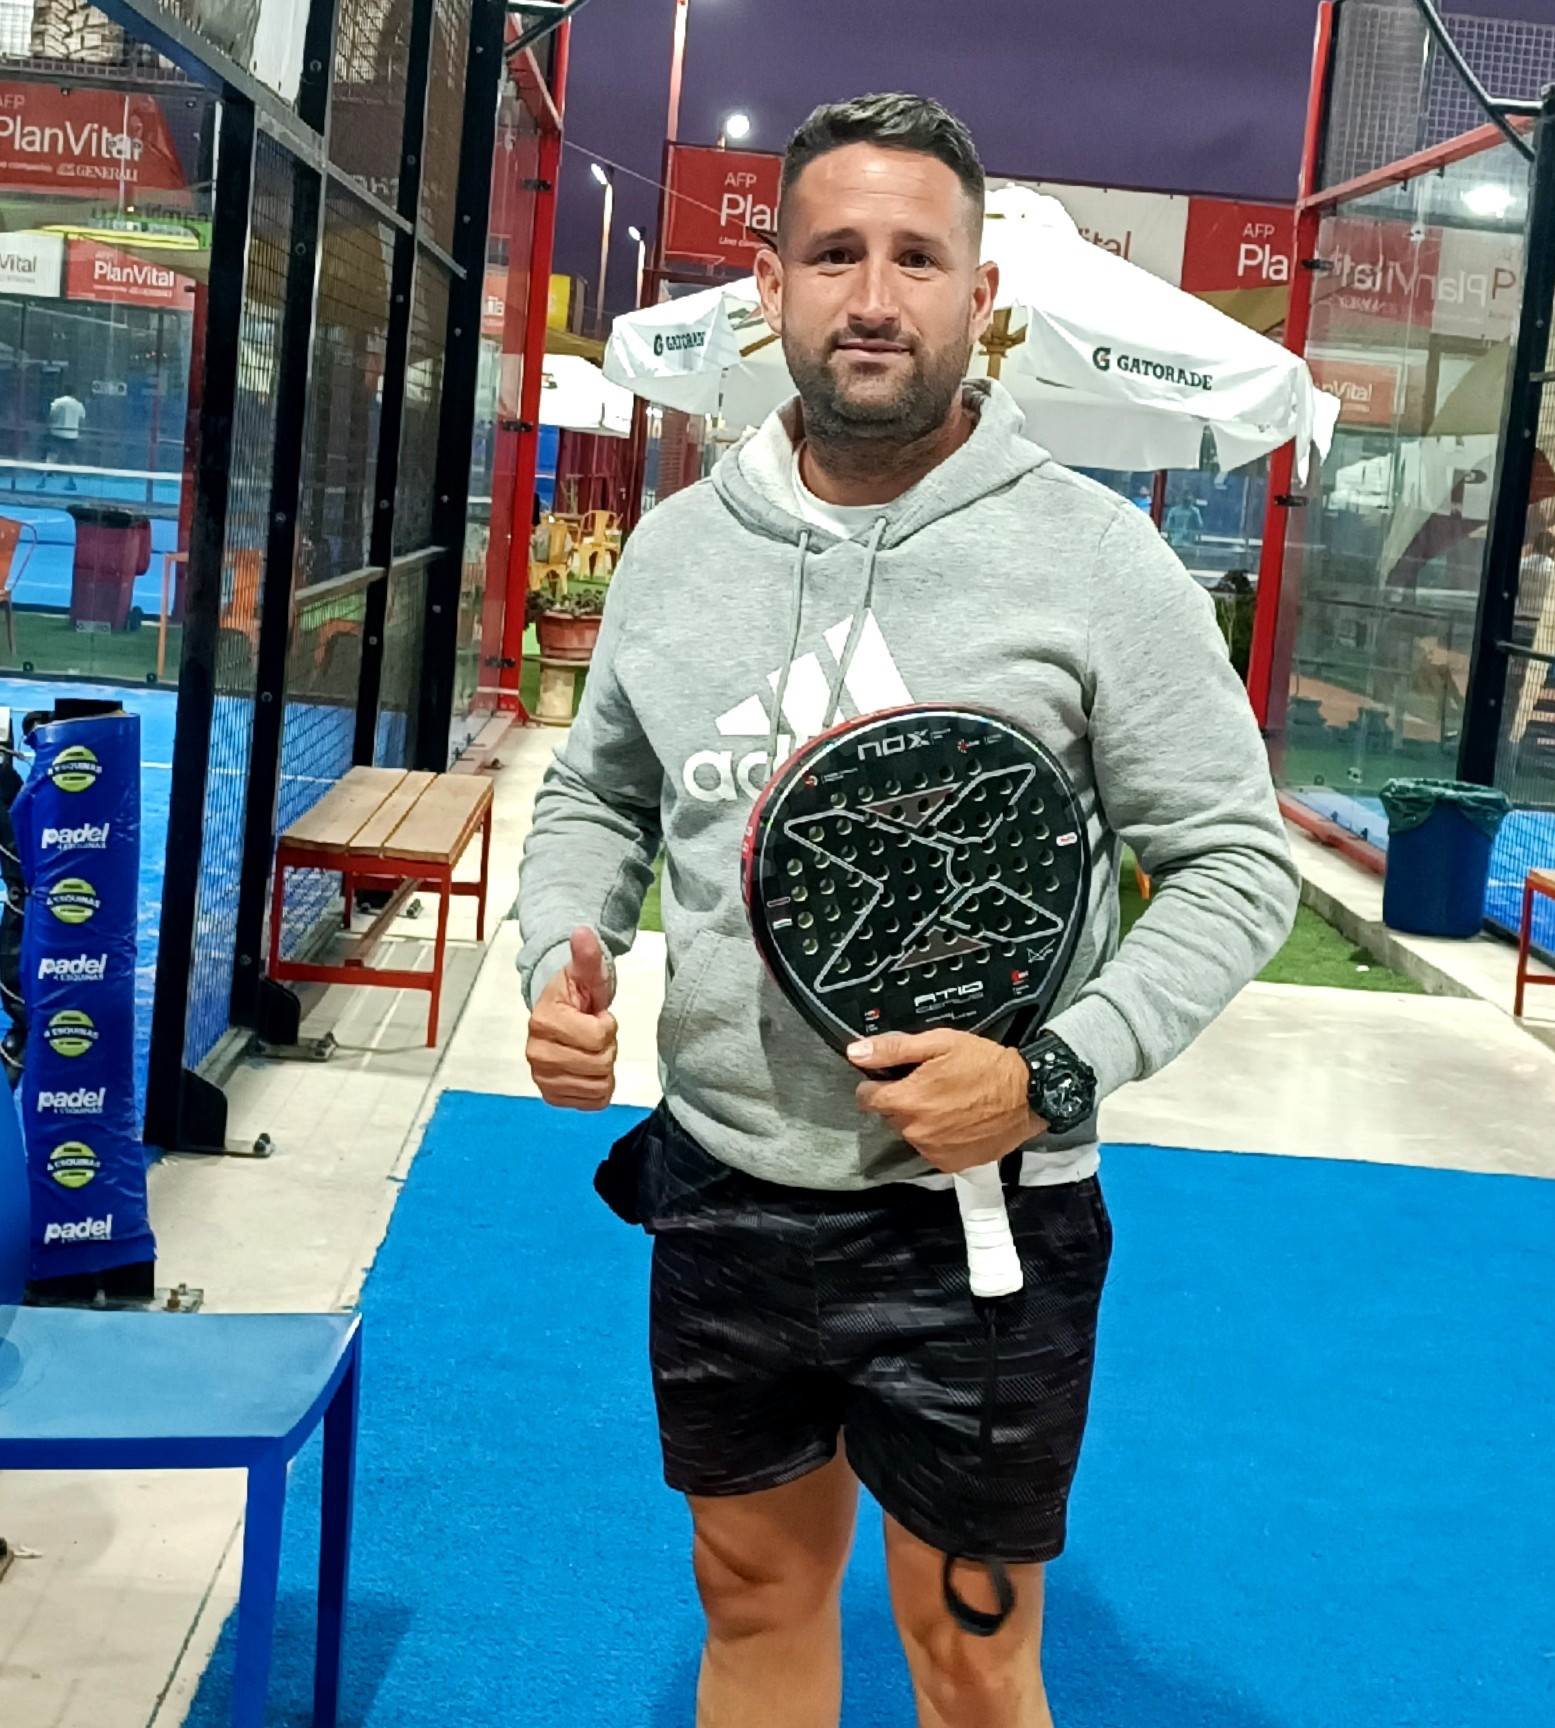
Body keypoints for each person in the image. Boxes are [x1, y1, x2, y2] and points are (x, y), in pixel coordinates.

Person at [519, 93, 1298, 1728]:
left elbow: (1235, 863)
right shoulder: (674, 553)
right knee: (751, 1598)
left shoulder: (1100, 564)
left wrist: (1051, 1072)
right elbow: (598, 794)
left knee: (971, 1656)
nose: (874, 298)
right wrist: (560, 951)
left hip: (985, 1216)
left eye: (917, 259)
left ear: (978, 296)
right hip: (724, 1185)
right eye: (835, 255)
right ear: (772, 287)